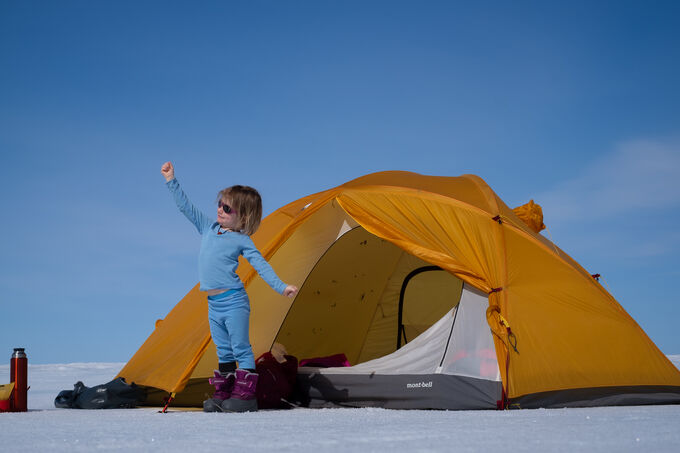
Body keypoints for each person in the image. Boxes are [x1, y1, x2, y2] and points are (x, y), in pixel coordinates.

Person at [160, 161, 298, 413]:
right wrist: (171, 180)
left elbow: (261, 264)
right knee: (223, 350)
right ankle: (224, 393)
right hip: (214, 304)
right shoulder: (208, 228)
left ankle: (245, 396)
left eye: (227, 208)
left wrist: (281, 287)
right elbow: (185, 207)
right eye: (220, 204)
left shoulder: (242, 240)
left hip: (234, 301)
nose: (220, 210)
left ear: (243, 216)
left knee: (240, 347)